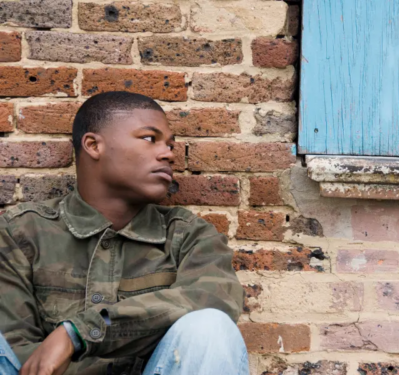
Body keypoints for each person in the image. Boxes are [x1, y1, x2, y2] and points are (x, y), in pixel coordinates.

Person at [0, 92, 248, 375]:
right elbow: (12, 348)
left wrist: (79, 333)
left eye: (170, 145)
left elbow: (214, 297)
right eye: (149, 138)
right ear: (93, 145)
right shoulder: (22, 233)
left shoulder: (188, 236)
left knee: (210, 327)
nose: (168, 153)